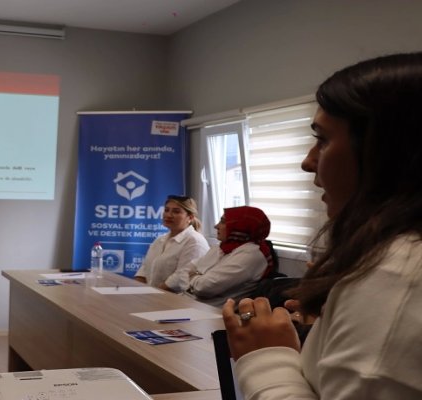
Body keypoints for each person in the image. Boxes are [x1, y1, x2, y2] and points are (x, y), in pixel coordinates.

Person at [222, 52, 422, 399]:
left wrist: (265, 358)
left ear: (390, 152)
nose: (308, 161)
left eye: (323, 139)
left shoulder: (399, 275)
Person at [182, 206, 274, 307]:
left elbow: (203, 288)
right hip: (189, 301)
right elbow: (187, 268)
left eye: (223, 222)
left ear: (240, 226)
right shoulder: (223, 246)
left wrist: (194, 275)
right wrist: (198, 277)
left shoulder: (251, 255)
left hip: (210, 311)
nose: (216, 226)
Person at [134, 195, 209, 291]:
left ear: (190, 217)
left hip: (175, 297)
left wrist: (152, 293)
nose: (168, 215)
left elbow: (181, 277)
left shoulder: (195, 241)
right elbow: (144, 269)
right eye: (166, 210)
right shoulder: (160, 240)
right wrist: (137, 290)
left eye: (176, 212)